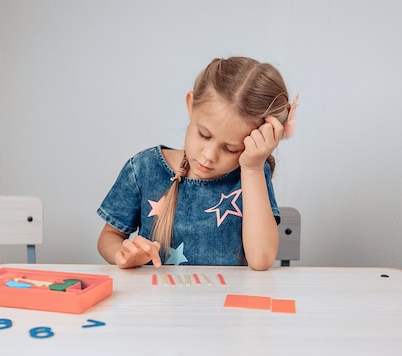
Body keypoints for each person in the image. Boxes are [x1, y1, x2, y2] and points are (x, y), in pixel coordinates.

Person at [97, 56, 298, 271]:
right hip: (157, 302)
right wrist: (122, 254)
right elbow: (109, 237)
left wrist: (252, 168)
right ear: (191, 105)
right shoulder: (144, 168)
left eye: (231, 149)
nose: (209, 155)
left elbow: (261, 260)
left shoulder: (253, 173)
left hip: (224, 302)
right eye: (204, 134)